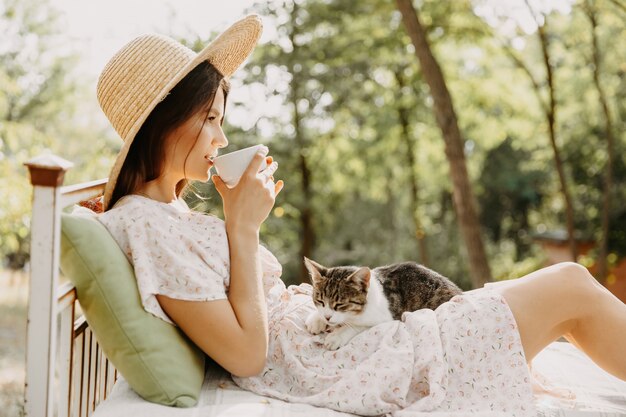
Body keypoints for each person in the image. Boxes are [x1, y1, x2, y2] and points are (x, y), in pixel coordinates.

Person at [95, 14, 626, 417]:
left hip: (340, 346)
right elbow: (247, 356)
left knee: (560, 289)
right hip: (330, 364)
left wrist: (237, 221)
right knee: (570, 286)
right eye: (209, 117)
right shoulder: (145, 222)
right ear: (166, 121)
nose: (222, 137)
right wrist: (243, 224)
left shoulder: (162, 214)